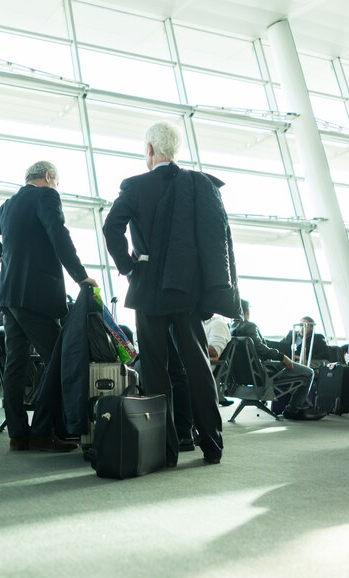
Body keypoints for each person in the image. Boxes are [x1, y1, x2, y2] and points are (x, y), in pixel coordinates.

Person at [103, 122, 241, 465]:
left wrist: (129, 264)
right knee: (196, 364)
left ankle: (164, 448)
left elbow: (111, 227)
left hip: (149, 286)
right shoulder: (198, 184)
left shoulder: (135, 186)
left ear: (150, 149)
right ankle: (212, 444)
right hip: (187, 289)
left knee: (155, 367)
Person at [0, 160, 97, 452]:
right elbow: (59, 236)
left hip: (9, 294)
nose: (57, 186)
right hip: (35, 294)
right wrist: (81, 276)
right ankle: (42, 431)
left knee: (14, 364)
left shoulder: (9, 204)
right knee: (60, 359)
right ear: (49, 176)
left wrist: (1, 256)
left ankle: (18, 434)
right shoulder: (46, 195)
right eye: (57, 181)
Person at [230, 300, 326, 419]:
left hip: (246, 374)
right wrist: (282, 356)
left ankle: (301, 405)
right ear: (246, 311)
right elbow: (261, 349)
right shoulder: (250, 326)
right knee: (308, 373)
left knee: (296, 375)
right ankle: (293, 409)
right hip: (265, 370)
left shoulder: (231, 328)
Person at [205, 314, 234, 407]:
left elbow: (215, 352)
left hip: (202, 368)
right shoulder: (198, 324)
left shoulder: (217, 324)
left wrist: (192, 341)